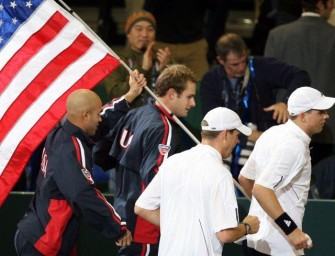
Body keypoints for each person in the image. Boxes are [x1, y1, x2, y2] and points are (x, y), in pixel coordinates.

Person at [15, 70, 146, 255]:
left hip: (39, 232)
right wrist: (118, 227)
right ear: (85, 116)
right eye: (97, 115)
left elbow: (103, 120)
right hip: (45, 242)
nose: (100, 119)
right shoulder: (70, 149)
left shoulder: (65, 131)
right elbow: (83, 194)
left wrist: (130, 95)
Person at [94, 64, 196, 256]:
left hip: (124, 214)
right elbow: (157, 179)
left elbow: (100, 152)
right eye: (189, 96)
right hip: (146, 227)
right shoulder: (163, 128)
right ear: (172, 94)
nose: (193, 104)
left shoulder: (135, 113)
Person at [134, 107, 260, 255]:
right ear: (226, 134)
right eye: (237, 135)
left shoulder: (173, 162)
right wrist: (247, 227)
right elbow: (225, 234)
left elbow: (142, 207)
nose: (238, 141)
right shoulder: (220, 174)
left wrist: (178, 226)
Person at [238, 86, 335, 255]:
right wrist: (291, 230)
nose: (326, 116)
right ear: (303, 116)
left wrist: (262, 209)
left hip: (258, 240)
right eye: (321, 112)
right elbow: (261, 189)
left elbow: (245, 179)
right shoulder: (293, 146)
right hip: (279, 245)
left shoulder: (271, 133)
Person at [200, 33, 311, 179]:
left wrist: (286, 102)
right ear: (220, 60)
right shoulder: (210, 80)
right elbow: (212, 121)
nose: (241, 67)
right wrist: (249, 135)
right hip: (227, 140)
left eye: (243, 61)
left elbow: (301, 76)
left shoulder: (260, 66)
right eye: (235, 64)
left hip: (262, 141)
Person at [264, 0, 335, 167]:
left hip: (287, 123)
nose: (333, 6)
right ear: (320, 4)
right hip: (329, 130)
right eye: (330, 2)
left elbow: (268, 84)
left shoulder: (278, 35)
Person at [144, 0, 229, 79]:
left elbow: (218, 8)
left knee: (202, 87)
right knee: (160, 86)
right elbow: (147, 11)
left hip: (195, 45)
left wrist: (211, 41)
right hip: (162, 45)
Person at [102, 10, 171, 108]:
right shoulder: (116, 60)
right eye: (139, 29)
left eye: (150, 29)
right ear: (128, 33)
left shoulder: (162, 59)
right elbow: (116, 95)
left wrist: (165, 70)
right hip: (129, 118)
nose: (144, 34)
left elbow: (174, 95)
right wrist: (143, 69)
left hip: (158, 115)